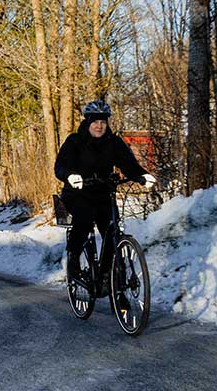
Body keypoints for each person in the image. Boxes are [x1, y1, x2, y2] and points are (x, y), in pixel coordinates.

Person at [54, 100, 156, 284]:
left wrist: (142, 176)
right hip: (77, 194)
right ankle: (74, 260)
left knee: (112, 230)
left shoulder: (114, 142)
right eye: (95, 121)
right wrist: (70, 175)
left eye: (103, 122)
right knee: (84, 220)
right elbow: (60, 166)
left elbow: (128, 164)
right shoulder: (75, 141)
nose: (99, 126)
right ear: (88, 122)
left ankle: (107, 275)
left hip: (103, 194)